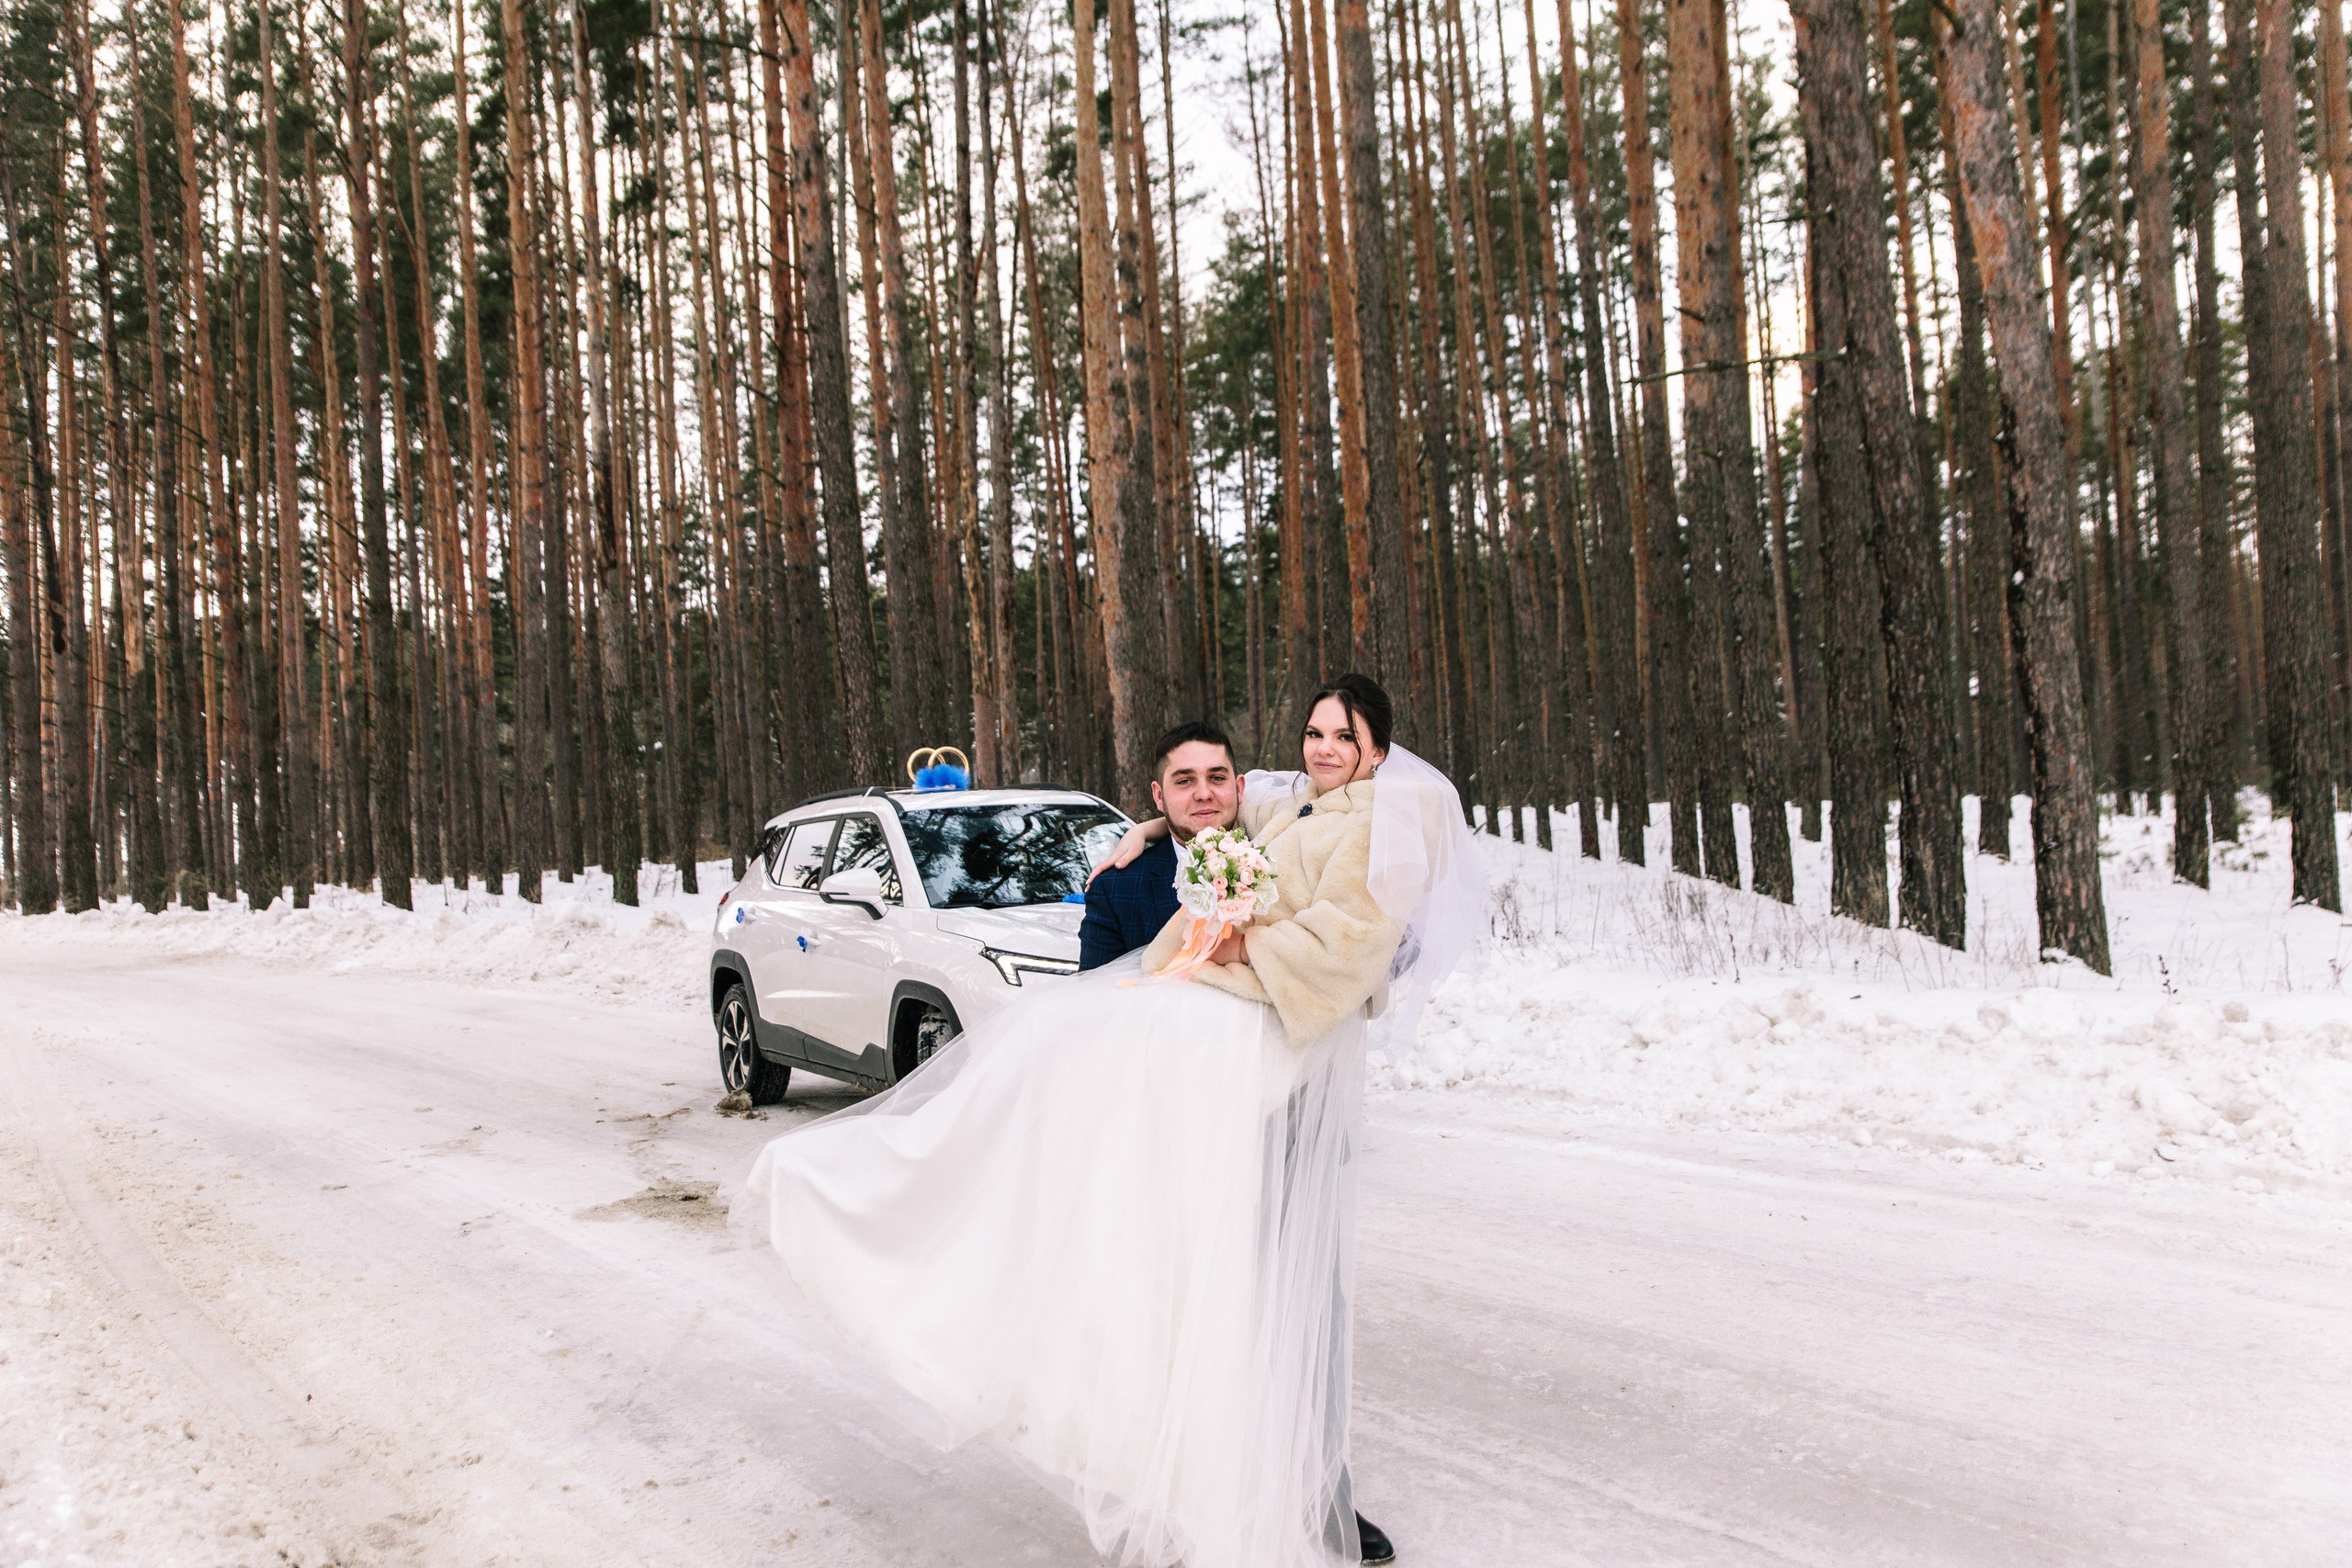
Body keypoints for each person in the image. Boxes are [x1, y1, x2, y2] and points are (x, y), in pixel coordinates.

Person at [741, 675, 1484, 1568]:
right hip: (1203, 1098)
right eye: (1314, 731)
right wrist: (1146, 837)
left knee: (1298, 1300)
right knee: (1190, 1278)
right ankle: (913, 1172)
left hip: (1277, 1078)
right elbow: (1235, 810)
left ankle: (1319, 1496)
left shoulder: (1379, 826)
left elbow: (1348, 947)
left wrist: (1238, 944)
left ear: (1378, 752)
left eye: (1344, 737)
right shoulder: (1281, 812)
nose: (1323, 748)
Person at [1078, 721, 1242, 972]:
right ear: (1158, 796)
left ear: (1239, 788)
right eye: (1185, 781)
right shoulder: (1115, 890)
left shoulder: (1277, 861)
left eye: (1217, 778)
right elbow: (1095, 992)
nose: (1203, 794)